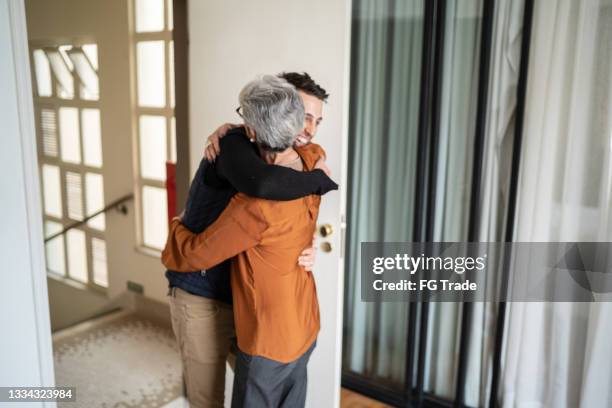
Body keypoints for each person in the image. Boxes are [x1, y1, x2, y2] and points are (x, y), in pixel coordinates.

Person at [164, 73, 334, 408]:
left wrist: (306, 239)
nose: (308, 128)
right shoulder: (232, 149)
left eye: (316, 120)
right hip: (201, 295)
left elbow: (277, 208)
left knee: (260, 388)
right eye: (303, 114)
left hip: (254, 309)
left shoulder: (306, 158)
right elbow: (265, 185)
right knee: (208, 400)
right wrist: (317, 180)